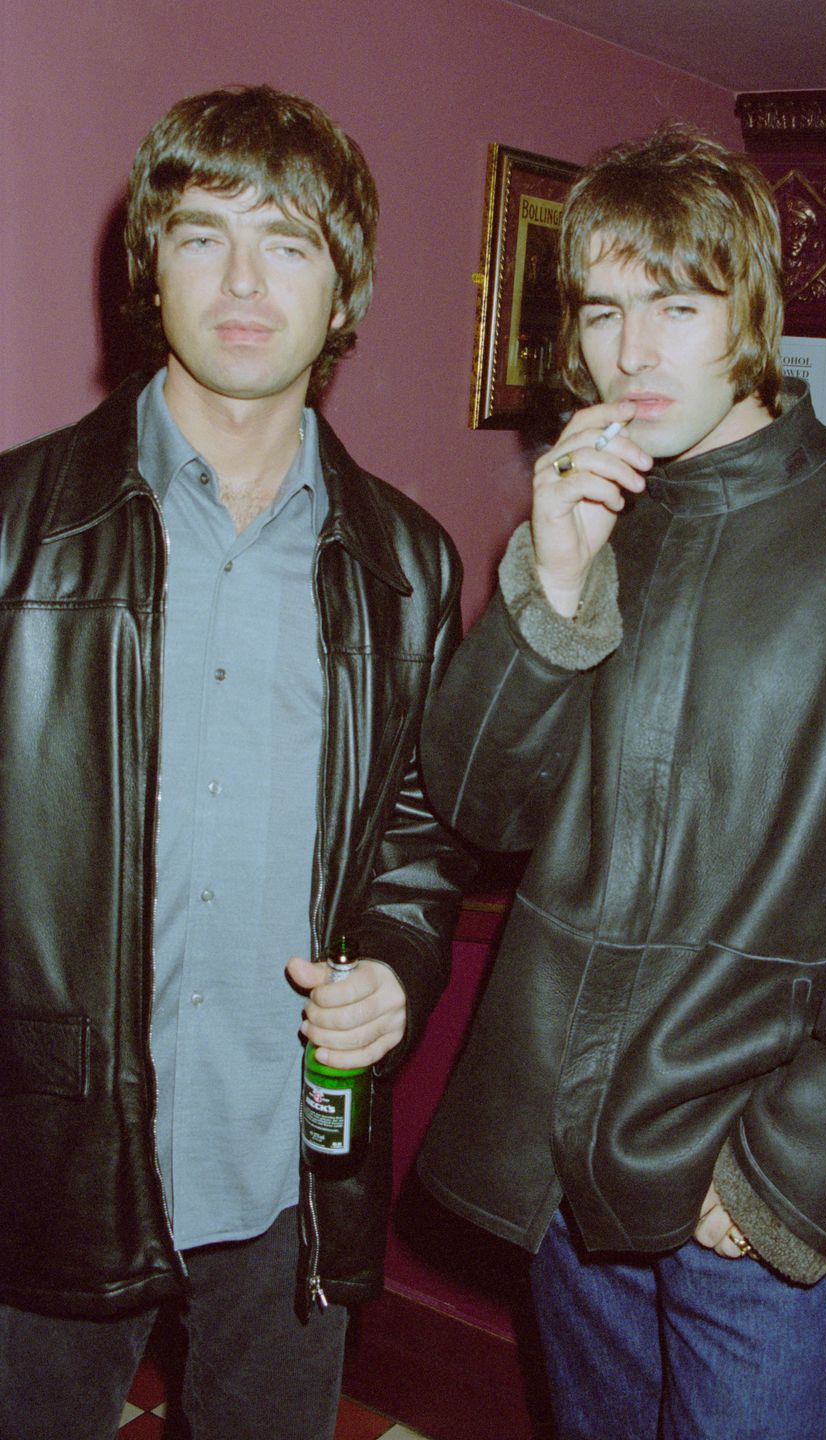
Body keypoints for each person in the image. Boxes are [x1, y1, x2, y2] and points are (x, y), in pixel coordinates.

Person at [417, 125, 826, 1440]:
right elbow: (480, 806)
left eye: (677, 306)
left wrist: (778, 1179)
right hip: (556, 1171)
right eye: (604, 310)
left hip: (740, 1186)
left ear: (749, 311)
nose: (633, 353)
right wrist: (555, 589)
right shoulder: (590, 520)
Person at [0, 85, 467, 1440]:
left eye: (293, 242)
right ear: (151, 268)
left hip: (289, 1168)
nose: (248, 281)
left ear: (348, 287)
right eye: (205, 236)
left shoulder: (407, 565)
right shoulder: (19, 526)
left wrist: (400, 969)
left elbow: (419, 841)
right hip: (48, 1157)